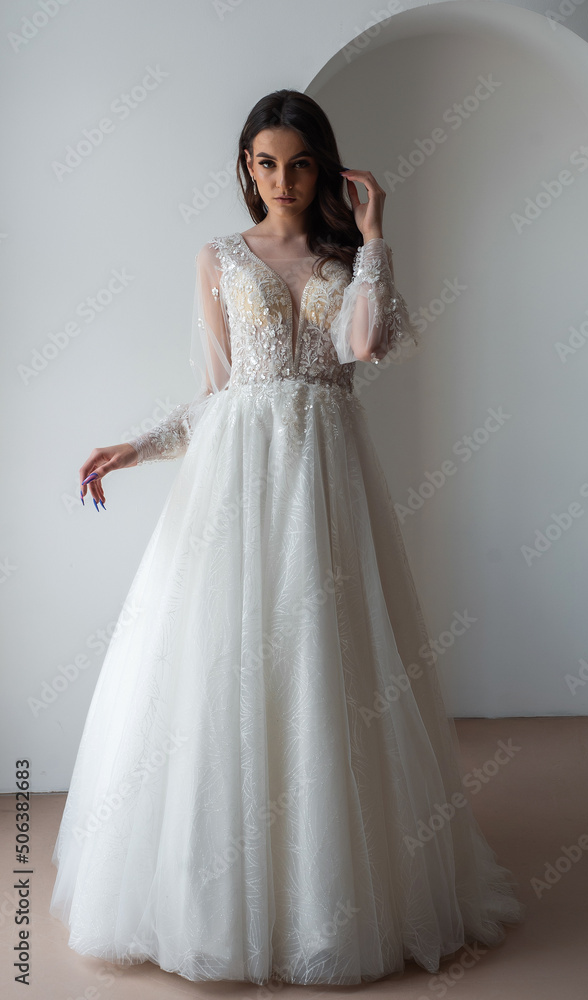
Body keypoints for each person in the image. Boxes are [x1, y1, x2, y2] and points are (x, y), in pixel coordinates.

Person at [50, 89, 525, 986]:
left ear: (324, 168)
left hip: (323, 483)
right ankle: (217, 893)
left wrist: (377, 232)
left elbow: (369, 345)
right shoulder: (219, 257)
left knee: (325, 667)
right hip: (235, 485)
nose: (281, 180)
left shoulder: (346, 255)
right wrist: (137, 445)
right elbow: (219, 390)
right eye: (264, 163)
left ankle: (332, 894)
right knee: (219, 671)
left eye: (299, 164)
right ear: (244, 167)